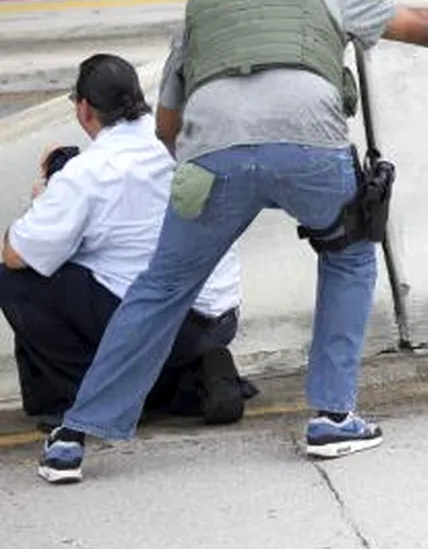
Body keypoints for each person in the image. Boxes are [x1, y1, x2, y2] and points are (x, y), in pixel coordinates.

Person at [37, 0, 428, 485]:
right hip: (310, 150)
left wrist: (198, 169)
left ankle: (73, 438)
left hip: (212, 157)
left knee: (161, 288)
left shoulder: (202, 6)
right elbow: (426, 26)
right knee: (347, 255)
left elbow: (167, 121)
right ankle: (332, 417)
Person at [0, 54, 251, 430]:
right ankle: (194, 378)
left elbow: (17, 254)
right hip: (220, 314)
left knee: (15, 280)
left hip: (162, 324)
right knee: (120, 273)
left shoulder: (88, 172)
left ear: (84, 109)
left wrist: (45, 198)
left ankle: (86, 397)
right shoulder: (180, 137)